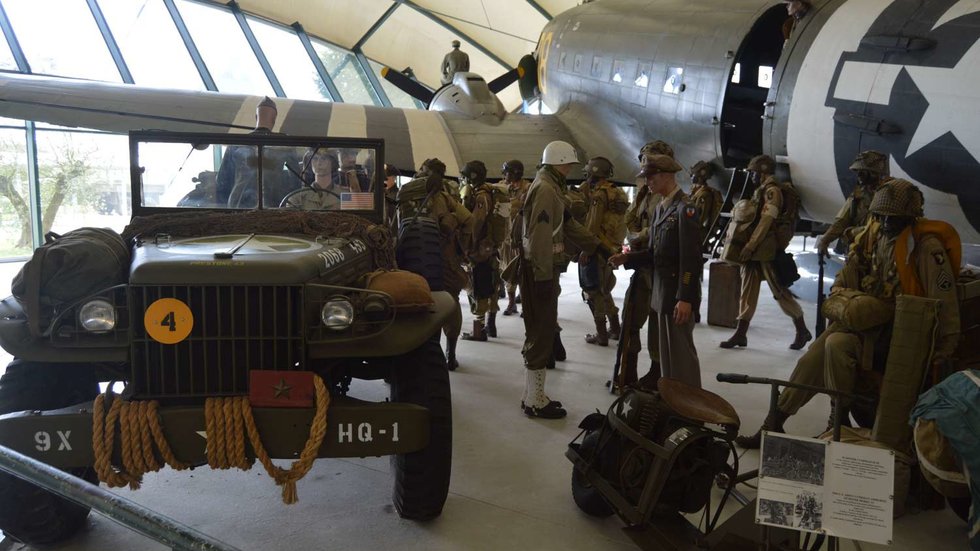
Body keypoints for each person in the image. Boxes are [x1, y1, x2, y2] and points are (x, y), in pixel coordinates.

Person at [735, 179, 961, 448]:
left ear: (911, 217)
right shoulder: (871, 238)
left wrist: (944, 349)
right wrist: (847, 294)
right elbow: (848, 274)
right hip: (864, 319)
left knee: (835, 345)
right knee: (812, 358)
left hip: (900, 334)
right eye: (881, 216)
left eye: (894, 219)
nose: (887, 223)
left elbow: (945, 300)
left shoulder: (926, 247)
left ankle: (838, 419)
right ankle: (775, 421)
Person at [519, 140, 609, 418]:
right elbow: (541, 238)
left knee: (542, 329)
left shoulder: (551, 186)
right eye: (569, 163)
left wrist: (598, 247)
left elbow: (568, 223)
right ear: (559, 163)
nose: (571, 168)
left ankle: (531, 395)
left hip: (543, 271)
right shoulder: (547, 189)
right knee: (541, 331)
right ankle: (535, 401)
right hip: (540, 272)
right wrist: (545, 278)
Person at [610, 154, 703, 388]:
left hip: (676, 297)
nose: (647, 182)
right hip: (661, 294)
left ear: (665, 175)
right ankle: (674, 402)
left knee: (682, 359)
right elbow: (654, 253)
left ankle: (691, 406)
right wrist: (627, 258)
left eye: (651, 177)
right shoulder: (662, 209)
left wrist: (685, 298)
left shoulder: (685, 209)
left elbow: (691, 260)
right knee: (668, 360)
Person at [720, 154, 811, 350]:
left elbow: (766, 221)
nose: (750, 176)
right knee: (747, 289)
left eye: (753, 172)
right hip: (757, 250)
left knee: (779, 291)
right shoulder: (761, 190)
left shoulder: (772, 192)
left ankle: (801, 328)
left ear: (762, 172)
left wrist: (750, 246)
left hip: (765, 250)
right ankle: (741, 333)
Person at [397, 159, 473, 370]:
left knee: (416, 304)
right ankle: (450, 353)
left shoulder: (405, 194)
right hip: (444, 258)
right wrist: (461, 248)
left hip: (409, 256)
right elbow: (469, 221)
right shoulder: (444, 196)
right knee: (448, 302)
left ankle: (424, 353)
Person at [616, 140, 673, 389]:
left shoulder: (668, 197)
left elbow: (660, 229)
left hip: (658, 268)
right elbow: (633, 222)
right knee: (630, 316)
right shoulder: (644, 194)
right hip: (641, 266)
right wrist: (633, 236)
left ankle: (656, 372)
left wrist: (637, 237)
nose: (645, 165)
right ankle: (629, 368)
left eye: (650, 160)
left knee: (657, 323)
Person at [581, 157, 629, 346]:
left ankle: (601, 335)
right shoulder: (617, 193)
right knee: (605, 288)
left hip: (598, 247)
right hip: (613, 247)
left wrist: (586, 249)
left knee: (595, 292)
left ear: (594, 173)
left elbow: (592, 224)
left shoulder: (600, 196)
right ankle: (615, 329)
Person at [218, 97, 300, 208]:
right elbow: (295, 181)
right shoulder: (283, 144)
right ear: (274, 119)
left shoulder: (236, 143)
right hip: (272, 204)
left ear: (256, 117)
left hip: (239, 204)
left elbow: (223, 180)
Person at [461, 161, 505, 341]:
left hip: (480, 249)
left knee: (477, 286)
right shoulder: (491, 192)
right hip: (490, 247)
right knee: (491, 284)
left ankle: (479, 330)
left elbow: (476, 223)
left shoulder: (481, 196)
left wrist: (467, 246)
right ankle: (490, 324)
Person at [816, 150, 890, 256]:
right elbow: (841, 222)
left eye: (863, 171)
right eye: (858, 171)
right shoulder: (857, 196)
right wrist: (824, 241)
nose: (858, 175)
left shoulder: (889, 195)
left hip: (880, 255)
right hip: (858, 253)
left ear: (874, 173)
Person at [501, 160, 530, 316]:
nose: (504, 176)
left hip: (521, 237)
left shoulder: (528, 188)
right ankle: (511, 303)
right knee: (507, 270)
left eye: (507, 172)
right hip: (506, 238)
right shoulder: (501, 187)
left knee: (523, 272)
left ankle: (526, 305)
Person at [689, 160, 723, 236]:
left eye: (693, 174)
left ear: (700, 176)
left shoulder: (705, 194)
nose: (691, 176)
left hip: (697, 234)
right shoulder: (696, 191)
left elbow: (700, 219)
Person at [383, 163, 400, 230]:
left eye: (386, 176)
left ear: (394, 177)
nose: (384, 179)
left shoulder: (397, 195)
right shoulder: (380, 193)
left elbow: (395, 222)